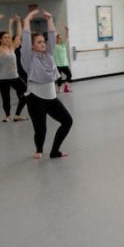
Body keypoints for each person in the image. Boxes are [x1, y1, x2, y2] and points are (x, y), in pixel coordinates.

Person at [18, 9, 73, 159]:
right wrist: (27, 19)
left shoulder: (48, 54)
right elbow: (26, 38)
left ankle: (55, 151)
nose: (43, 44)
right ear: (32, 46)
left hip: (51, 98)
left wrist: (50, 20)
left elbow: (53, 37)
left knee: (67, 121)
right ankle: (39, 150)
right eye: (39, 42)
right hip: (35, 99)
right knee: (40, 129)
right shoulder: (28, 58)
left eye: (43, 41)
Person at [0, 13, 27, 122]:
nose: (7, 39)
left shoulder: (12, 48)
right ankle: (7, 116)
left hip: (14, 77)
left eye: (8, 37)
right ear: (1, 40)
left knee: (27, 93)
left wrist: (17, 22)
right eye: (5, 37)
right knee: (6, 98)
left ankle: (17, 115)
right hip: (3, 78)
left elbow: (18, 35)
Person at [54, 25, 72, 93]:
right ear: (56, 39)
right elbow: (52, 38)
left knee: (69, 75)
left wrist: (67, 31)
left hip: (64, 64)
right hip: (57, 64)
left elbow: (67, 38)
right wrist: (55, 33)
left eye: (61, 38)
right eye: (59, 38)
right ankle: (59, 88)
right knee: (59, 77)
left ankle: (66, 86)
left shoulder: (63, 45)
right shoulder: (54, 46)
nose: (61, 39)